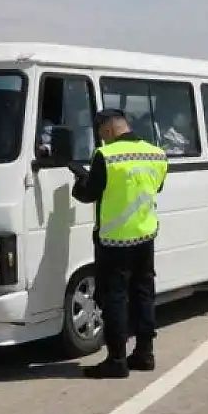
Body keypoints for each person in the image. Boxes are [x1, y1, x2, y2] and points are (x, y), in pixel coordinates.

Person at [71, 109, 168, 378]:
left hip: (114, 241)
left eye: (102, 134)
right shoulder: (155, 153)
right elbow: (155, 187)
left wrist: (80, 180)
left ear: (109, 130)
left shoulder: (107, 156)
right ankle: (145, 353)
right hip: (145, 237)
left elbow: (88, 194)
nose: (102, 140)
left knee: (114, 298)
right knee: (143, 294)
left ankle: (116, 360)